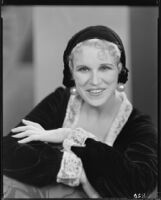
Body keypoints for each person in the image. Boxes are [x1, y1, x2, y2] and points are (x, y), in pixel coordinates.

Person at [3, 25, 157, 198]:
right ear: (72, 72)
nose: (95, 81)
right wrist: (75, 169)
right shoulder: (60, 101)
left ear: (119, 69)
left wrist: (72, 136)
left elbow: (140, 186)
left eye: (105, 68)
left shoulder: (138, 124)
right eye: (84, 69)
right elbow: (7, 151)